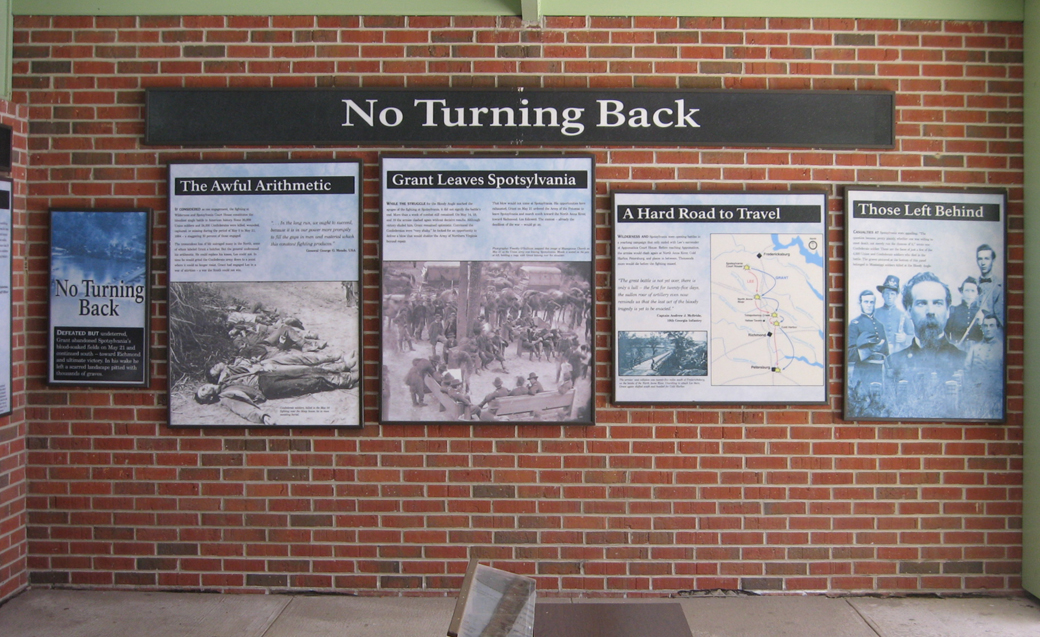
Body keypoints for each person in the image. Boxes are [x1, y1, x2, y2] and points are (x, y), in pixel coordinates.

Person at [885, 272, 967, 417]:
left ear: (948, 311)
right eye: (922, 303)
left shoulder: (964, 361)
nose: (931, 311)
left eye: (938, 303)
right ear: (909, 311)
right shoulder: (893, 362)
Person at [193, 354, 358, 425]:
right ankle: (347, 380)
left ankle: (342, 367)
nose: (205, 388)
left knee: (305, 370)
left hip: (265, 374)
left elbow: (232, 366)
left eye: (202, 387)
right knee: (309, 382)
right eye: (203, 392)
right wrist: (262, 416)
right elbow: (242, 409)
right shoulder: (225, 397)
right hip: (267, 388)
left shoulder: (225, 377)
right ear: (208, 399)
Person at [846, 289, 887, 394]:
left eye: (871, 302)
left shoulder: (880, 325)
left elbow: (886, 353)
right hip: (862, 373)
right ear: (860, 303)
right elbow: (848, 353)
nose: (869, 305)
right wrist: (868, 350)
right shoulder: (855, 324)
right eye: (866, 302)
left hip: (878, 373)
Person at [964, 313, 1003, 417]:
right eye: (985, 326)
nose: (988, 329)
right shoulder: (974, 349)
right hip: (976, 396)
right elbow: (966, 371)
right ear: (982, 328)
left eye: (991, 325)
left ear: (997, 328)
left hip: (995, 398)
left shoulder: (1002, 349)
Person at [873, 275, 914, 354]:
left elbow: (912, 336)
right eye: (887, 293)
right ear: (882, 295)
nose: (889, 297)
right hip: (878, 353)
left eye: (892, 294)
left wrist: (905, 338)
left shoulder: (903, 315)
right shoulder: (874, 313)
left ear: (896, 296)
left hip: (897, 354)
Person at [945, 276, 983, 350]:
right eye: (967, 290)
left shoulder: (982, 313)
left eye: (972, 291)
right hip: (957, 351)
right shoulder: (954, 310)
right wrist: (950, 346)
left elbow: (988, 337)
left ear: (977, 293)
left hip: (976, 352)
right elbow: (945, 332)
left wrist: (981, 323)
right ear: (962, 292)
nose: (969, 294)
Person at [975, 244, 1004, 328]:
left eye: (986, 259)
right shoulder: (973, 285)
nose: (983, 263)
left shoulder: (1000, 285)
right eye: (980, 259)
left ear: (993, 260)